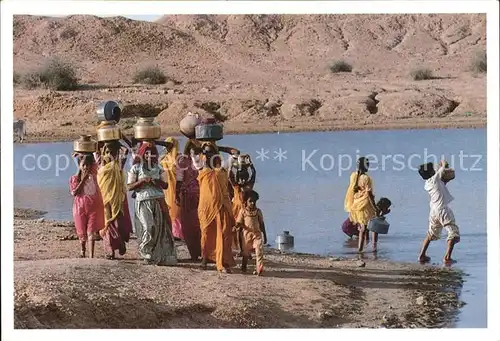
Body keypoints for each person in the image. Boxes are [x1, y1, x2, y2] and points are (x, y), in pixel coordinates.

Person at [127, 141, 177, 266]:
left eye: (151, 154)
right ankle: (146, 253)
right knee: (148, 227)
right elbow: (129, 187)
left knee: (160, 228)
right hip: (143, 200)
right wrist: (142, 181)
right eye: (146, 154)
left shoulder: (159, 167)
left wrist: (156, 182)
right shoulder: (136, 168)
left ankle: (157, 254)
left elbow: (165, 185)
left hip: (158, 200)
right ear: (142, 154)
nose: (149, 156)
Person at [191, 143, 235, 273]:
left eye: (212, 154)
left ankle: (224, 262)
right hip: (206, 208)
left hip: (222, 207)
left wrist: (219, 148)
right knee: (206, 234)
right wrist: (202, 149)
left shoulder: (222, 168)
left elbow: (235, 153)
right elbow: (193, 153)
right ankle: (205, 260)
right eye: (207, 154)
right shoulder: (201, 168)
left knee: (224, 234)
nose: (209, 156)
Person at [417, 161, 460, 264]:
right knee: (453, 232)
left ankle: (422, 255)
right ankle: (447, 257)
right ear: (432, 172)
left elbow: (442, 184)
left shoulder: (427, 184)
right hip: (442, 209)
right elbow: (444, 165)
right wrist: (442, 163)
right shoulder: (436, 178)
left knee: (431, 233)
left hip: (433, 210)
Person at [96, 141, 133, 259]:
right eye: (108, 152)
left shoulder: (119, 164)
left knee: (117, 223)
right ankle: (111, 250)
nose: (110, 155)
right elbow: (97, 152)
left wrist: (117, 141)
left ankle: (119, 244)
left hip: (117, 198)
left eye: (112, 152)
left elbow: (126, 151)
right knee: (107, 223)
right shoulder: (102, 165)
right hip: (105, 198)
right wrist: (106, 144)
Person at [69, 154, 105, 258]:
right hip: (79, 208)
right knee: (81, 231)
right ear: (79, 166)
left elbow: (97, 160)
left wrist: (85, 151)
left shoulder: (93, 175)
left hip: (94, 207)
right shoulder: (75, 178)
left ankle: (91, 256)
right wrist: (83, 179)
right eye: (83, 165)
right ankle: (83, 250)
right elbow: (75, 192)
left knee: (91, 231)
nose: (86, 167)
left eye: (88, 165)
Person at [174, 143, 202, 261]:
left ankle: (203, 251)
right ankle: (195, 253)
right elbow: (179, 180)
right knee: (190, 225)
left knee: (199, 224)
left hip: (200, 196)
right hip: (189, 197)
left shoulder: (202, 160)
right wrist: (177, 195)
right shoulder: (182, 162)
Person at [344, 157, 377, 253]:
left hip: (356, 204)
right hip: (365, 205)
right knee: (368, 228)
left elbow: (351, 190)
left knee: (362, 228)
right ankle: (367, 249)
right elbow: (369, 194)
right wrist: (374, 206)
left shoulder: (353, 176)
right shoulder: (366, 178)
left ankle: (362, 248)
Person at [229, 154, 256, 255]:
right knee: (238, 231)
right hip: (236, 211)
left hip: (246, 212)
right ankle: (241, 250)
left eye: (244, 178)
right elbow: (230, 176)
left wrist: (250, 163)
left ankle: (245, 250)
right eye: (240, 178)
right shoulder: (236, 186)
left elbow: (254, 173)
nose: (242, 180)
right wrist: (232, 164)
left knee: (245, 231)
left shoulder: (248, 186)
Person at [235, 189, 267, 275]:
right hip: (246, 235)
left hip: (257, 235)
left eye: (254, 202)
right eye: (250, 201)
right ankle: (244, 267)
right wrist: (237, 226)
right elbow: (239, 222)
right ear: (246, 202)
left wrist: (265, 235)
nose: (252, 203)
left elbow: (262, 224)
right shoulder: (243, 211)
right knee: (246, 253)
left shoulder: (258, 212)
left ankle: (259, 269)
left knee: (259, 251)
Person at [160, 137, 183, 241]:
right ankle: (173, 233)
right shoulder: (166, 158)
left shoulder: (175, 158)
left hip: (172, 188)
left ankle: (176, 233)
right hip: (169, 188)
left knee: (174, 210)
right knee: (171, 209)